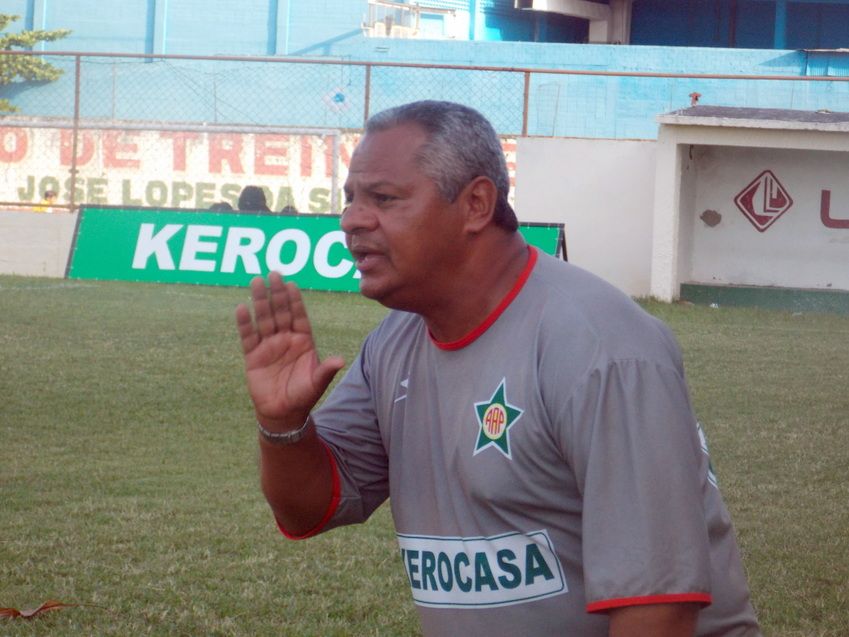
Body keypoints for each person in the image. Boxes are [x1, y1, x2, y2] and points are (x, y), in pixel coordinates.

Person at [235, 101, 761, 636]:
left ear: (476, 204)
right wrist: (284, 425)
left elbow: (658, 608)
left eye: (384, 199)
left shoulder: (602, 347)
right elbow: (308, 508)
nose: (351, 219)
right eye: (350, 199)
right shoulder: (395, 343)